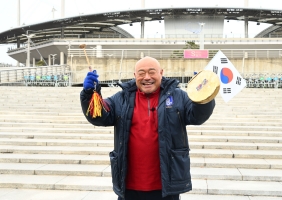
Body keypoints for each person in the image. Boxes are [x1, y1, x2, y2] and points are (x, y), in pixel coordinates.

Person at [80, 56, 215, 200]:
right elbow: (100, 115)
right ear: (134, 76)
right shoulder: (121, 98)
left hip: (166, 186)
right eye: (141, 73)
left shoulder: (178, 96)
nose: (147, 77)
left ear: (161, 73)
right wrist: (89, 94)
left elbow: (197, 116)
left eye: (152, 72)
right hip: (129, 187)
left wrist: (203, 97)